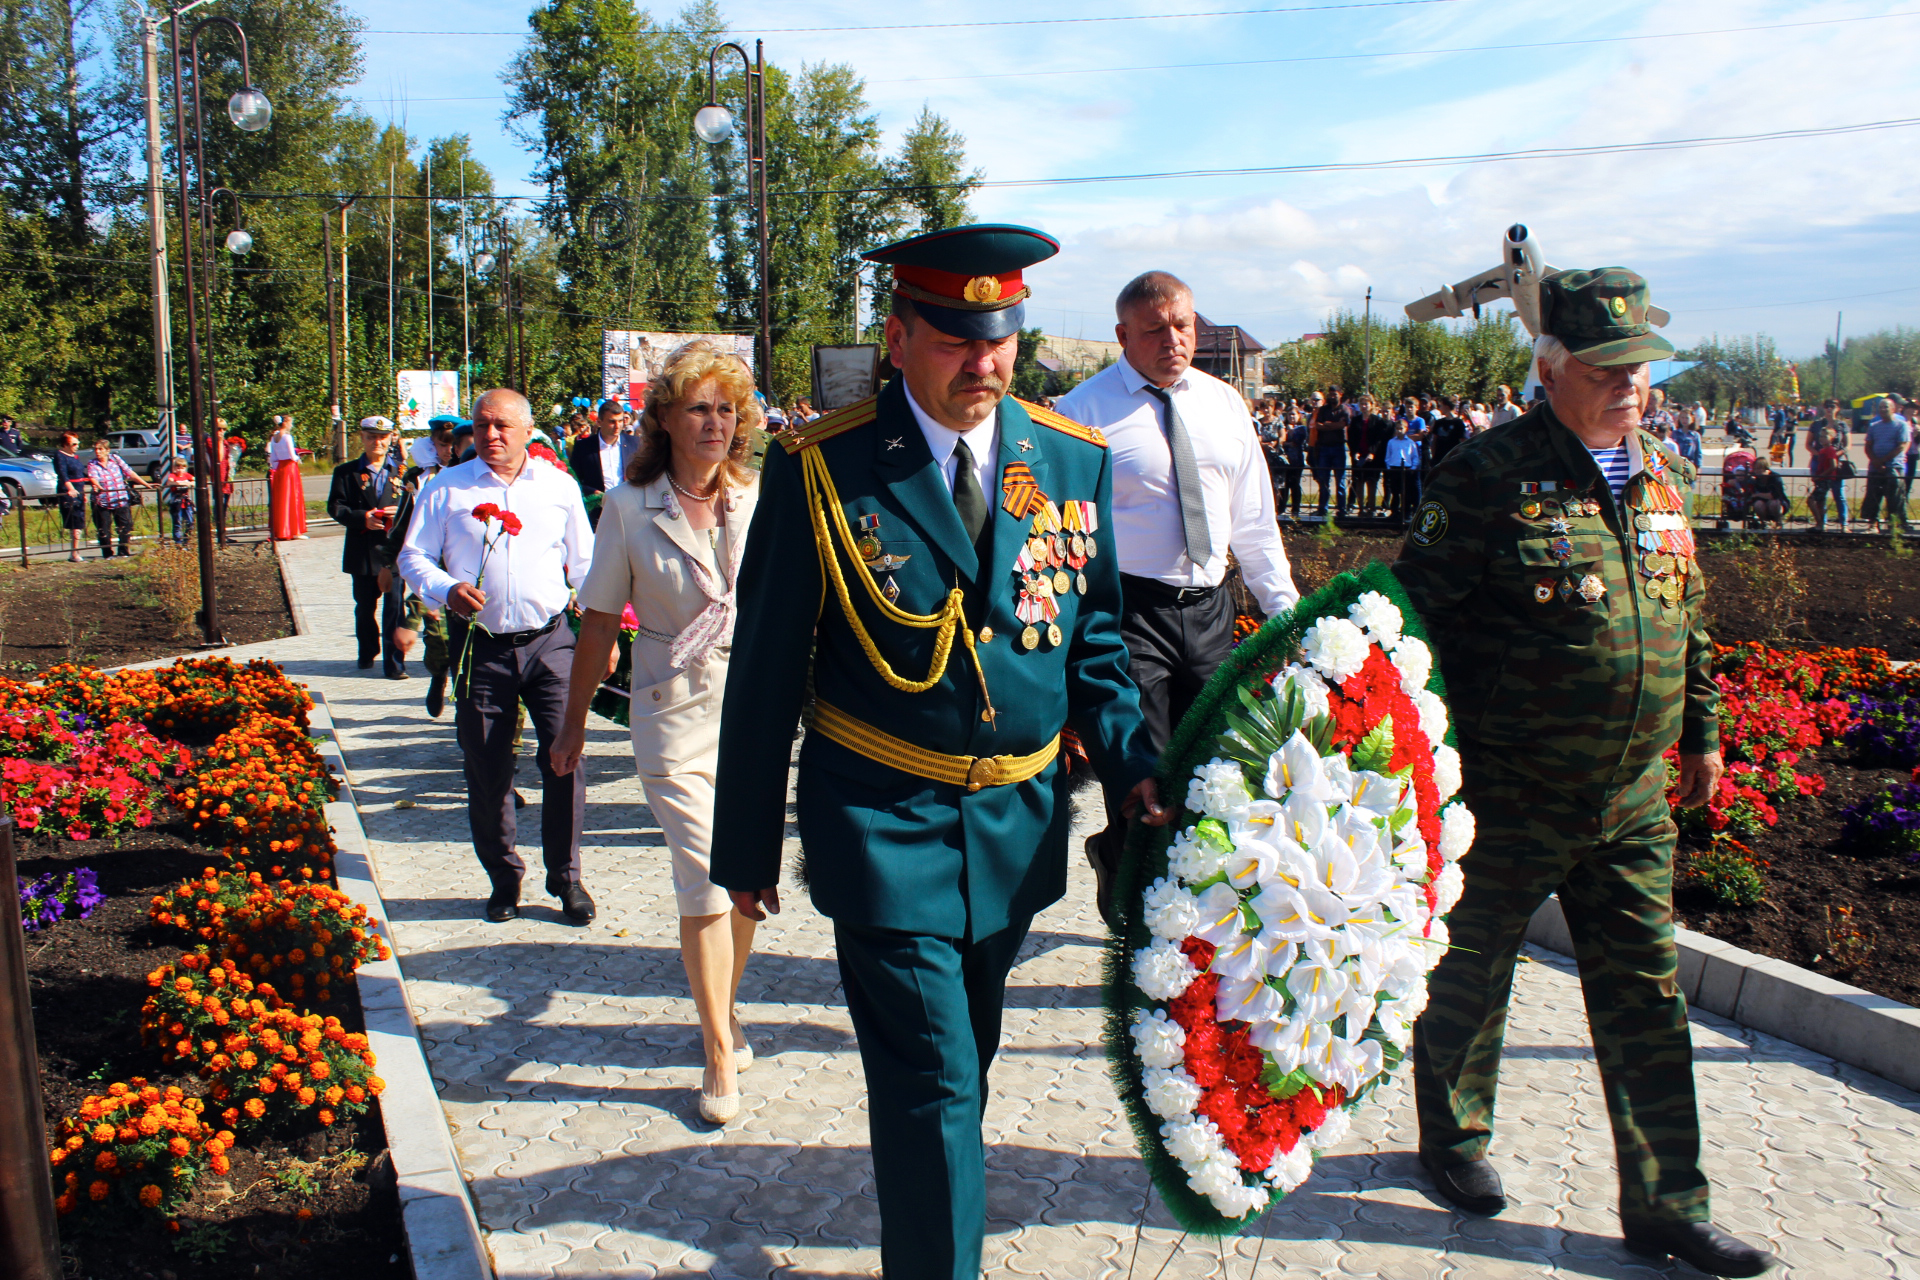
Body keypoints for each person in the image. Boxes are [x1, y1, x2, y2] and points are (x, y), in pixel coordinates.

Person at [708, 224, 1166, 1280]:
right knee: (937, 1081)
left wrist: (1135, 757)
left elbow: (1090, 637)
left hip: (1014, 830)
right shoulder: (826, 468)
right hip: (881, 825)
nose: (986, 362)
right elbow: (768, 672)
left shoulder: (1065, 458)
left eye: (1000, 338)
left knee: (966, 1059)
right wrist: (744, 853)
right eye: (959, 339)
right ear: (901, 335)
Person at [1396, 266, 1774, 1279]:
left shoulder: (1658, 479)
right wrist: (1421, 754)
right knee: (1473, 973)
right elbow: (1408, 614)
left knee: (1649, 990)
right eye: (1607, 369)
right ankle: (1455, 1139)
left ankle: (1666, 1204)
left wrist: (1703, 731)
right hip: (1512, 789)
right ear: (1550, 366)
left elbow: (1687, 615)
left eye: (1640, 369)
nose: (1629, 387)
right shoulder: (1486, 476)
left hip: (1632, 800)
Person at [550, 342, 764, 1124]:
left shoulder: (756, 494)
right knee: (705, 880)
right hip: (671, 715)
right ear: (666, 419)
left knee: (746, 886)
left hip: (750, 717)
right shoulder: (628, 507)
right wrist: (572, 725)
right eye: (699, 408)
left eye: (726, 408)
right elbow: (602, 618)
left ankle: (725, 1006)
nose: (715, 422)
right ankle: (714, 1051)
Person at [1053, 268, 1300, 924]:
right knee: (1147, 774)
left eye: (1184, 325)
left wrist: (1288, 615)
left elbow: (1254, 520)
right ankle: (1147, 922)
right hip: (1131, 614)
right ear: (1122, 335)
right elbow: (1064, 532)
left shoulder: (1223, 404)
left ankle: (1148, 873)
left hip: (1213, 610)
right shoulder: (1084, 413)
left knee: (1216, 769)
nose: (1173, 340)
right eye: (1155, 329)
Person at [399, 390, 596, 925]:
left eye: (503, 425)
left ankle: (567, 878)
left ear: (528, 430)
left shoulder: (557, 486)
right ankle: (503, 878)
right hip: (481, 647)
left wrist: (612, 631)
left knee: (565, 760)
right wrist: (445, 588)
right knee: (487, 767)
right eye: (483, 425)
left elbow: (585, 565)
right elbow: (412, 556)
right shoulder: (447, 487)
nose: (492, 436)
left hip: (550, 643)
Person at [382, 416, 461, 717]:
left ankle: (467, 708)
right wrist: (388, 562)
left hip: (468, 573)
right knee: (439, 637)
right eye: (444, 445)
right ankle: (439, 674)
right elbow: (403, 525)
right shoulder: (419, 478)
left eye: (456, 445)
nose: (450, 451)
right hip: (432, 571)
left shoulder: (475, 477)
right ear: (433, 444)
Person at [329, 418, 409, 678]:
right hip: (362, 551)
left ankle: (395, 665)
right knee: (365, 607)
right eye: (372, 436)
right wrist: (362, 517)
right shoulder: (346, 472)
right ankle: (367, 650)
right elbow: (336, 507)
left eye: (383, 437)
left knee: (395, 607)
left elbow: (417, 505)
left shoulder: (404, 472)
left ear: (391, 438)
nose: (378, 442)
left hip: (393, 551)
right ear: (362, 438)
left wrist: (401, 513)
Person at [567, 399, 642, 511]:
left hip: (630, 508)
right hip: (598, 510)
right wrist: (592, 492)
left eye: (620, 421)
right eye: (612, 421)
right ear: (599, 421)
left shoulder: (635, 444)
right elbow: (574, 480)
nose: (617, 426)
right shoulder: (583, 447)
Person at [85, 437, 150, 558]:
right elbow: (93, 477)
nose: (97, 451)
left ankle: (123, 551)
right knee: (104, 530)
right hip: (102, 501)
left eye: (100, 449)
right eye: (96, 449)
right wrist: (97, 485)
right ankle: (107, 554)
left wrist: (146, 484)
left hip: (120, 499)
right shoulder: (92, 463)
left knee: (125, 527)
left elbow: (129, 472)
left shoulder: (115, 459)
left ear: (107, 450)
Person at [1860, 396, 1911, 533]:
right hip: (1875, 467)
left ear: (1893, 409)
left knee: (1894, 497)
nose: (1883, 410)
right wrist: (1876, 462)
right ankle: (1872, 524)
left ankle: (1894, 525)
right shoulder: (1873, 426)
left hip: (1893, 466)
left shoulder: (1901, 425)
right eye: (1881, 407)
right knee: (1873, 496)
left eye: (1886, 407)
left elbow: (1901, 446)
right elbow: (1868, 446)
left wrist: (1884, 460)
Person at [1307, 386, 1347, 517]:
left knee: (1340, 481)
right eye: (1330, 394)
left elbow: (1342, 425)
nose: (1332, 396)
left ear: (1340, 394)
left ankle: (1342, 509)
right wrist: (1332, 425)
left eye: (1335, 394)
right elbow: (1318, 426)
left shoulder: (1344, 409)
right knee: (1324, 480)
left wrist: (1327, 425)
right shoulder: (1323, 410)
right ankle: (1322, 508)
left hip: (1338, 448)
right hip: (1324, 448)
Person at [267, 415, 308, 540]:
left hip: (280, 468)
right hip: (290, 468)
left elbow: (273, 458)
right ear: (285, 423)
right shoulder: (287, 437)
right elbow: (292, 455)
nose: (292, 425)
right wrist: (298, 457)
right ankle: (295, 530)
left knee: (282, 499)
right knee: (293, 497)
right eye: (291, 423)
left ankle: (282, 529)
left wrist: (277, 466)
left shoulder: (274, 438)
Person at [51, 432, 89, 562]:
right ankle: (74, 553)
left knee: (79, 522)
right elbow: (63, 474)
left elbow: (80, 473)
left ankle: (75, 551)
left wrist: (83, 491)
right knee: (74, 522)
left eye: (78, 444)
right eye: (74, 444)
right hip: (69, 491)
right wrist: (70, 488)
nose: (77, 446)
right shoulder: (60, 456)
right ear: (65, 445)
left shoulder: (74, 456)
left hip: (79, 490)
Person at [1808, 424, 1849, 531]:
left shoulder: (1830, 450)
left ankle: (1819, 523)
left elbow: (1833, 466)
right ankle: (1821, 524)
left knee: (1811, 500)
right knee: (1820, 502)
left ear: (1832, 438)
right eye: (1821, 436)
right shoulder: (1822, 450)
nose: (1822, 439)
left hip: (1826, 480)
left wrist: (1820, 476)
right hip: (1821, 479)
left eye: (1825, 437)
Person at [1383, 418, 1420, 523]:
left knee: (1406, 492)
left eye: (1401, 428)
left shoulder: (1410, 443)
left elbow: (1414, 457)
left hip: (1406, 469)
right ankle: (1394, 512)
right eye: (1397, 428)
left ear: (1406, 429)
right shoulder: (1391, 442)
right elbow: (1388, 456)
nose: (1399, 430)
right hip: (1395, 468)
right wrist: (1389, 466)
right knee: (1395, 492)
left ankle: (1406, 513)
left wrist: (1412, 468)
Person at [1279, 408, 1307, 519]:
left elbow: (1297, 442)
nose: (1291, 417)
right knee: (1284, 486)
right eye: (1289, 415)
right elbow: (1281, 442)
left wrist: (1290, 432)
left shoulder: (1301, 428)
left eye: (1294, 415)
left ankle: (1295, 510)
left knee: (1295, 485)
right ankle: (1281, 508)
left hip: (1297, 461)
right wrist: (1286, 442)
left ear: (1299, 416)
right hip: (1285, 461)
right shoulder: (1283, 427)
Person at [161, 457, 195, 546]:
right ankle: (178, 542)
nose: (180, 470)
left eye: (182, 468)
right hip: (176, 502)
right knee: (177, 523)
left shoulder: (186, 475)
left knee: (190, 522)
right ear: (175, 468)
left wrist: (188, 482)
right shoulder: (173, 475)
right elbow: (170, 482)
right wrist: (183, 483)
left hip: (186, 502)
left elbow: (194, 481)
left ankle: (186, 540)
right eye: (178, 467)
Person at [1747, 457, 1789, 527]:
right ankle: (1764, 523)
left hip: (1777, 502)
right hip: (1762, 502)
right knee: (1758, 504)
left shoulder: (1775, 477)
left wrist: (1758, 494)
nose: (1756, 471)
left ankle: (1778, 522)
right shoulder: (1755, 479)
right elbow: (1750, 494)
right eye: (1755, 469)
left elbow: (1774, 495)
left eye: (1759, 468)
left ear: (1766, 468)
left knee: (1774, 503)